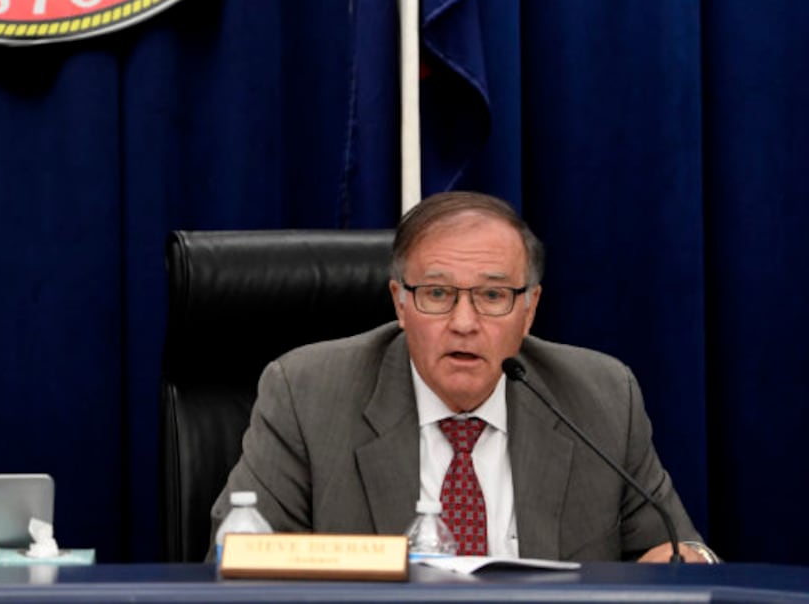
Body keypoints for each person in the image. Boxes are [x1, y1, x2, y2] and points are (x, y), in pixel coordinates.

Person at [209, 191, 717, 563]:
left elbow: (675, 550)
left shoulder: (601, 397)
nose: (464, 322)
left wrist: (686, 560)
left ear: (530, 308)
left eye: (493, 296)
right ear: (400, 303)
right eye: (437, 294)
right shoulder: (307, 394)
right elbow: (238, 560)